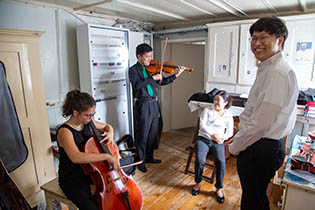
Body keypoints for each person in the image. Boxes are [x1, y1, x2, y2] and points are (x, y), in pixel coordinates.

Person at [228, 16, 299, 210]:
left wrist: (235, 146)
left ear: (279, 40)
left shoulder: (277, 72)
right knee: (255, 197)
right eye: (253, 38)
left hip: (261, 147)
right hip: (261, 145)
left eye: (263, 37)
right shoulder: (269, 68)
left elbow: (261, 123)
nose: (256, 43)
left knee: (253, 201)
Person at [57, 89, 120, 210]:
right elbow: (76, 157)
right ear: (75, 113)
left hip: (91, 171)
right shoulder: (65, 131)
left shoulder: (87, 122)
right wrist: (107, 156)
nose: (91, 118)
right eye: (88, 115)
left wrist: (110, 132)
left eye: (93, 115)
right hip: (72, 178)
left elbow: (107, 127)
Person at [129, 43, 185, 173]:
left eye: (150, 56)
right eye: (147, 57)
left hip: (154, 104)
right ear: (139, 56)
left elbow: (163, 81)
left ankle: (149, 157)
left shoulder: (153, 69)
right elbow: (137, 86)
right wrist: (151, 78)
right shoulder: (133, 70)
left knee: (154, 131)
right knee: (142, 133)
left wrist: (176, 75)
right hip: (143, 104)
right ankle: (140, 160)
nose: (149, 59)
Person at [191, 90, 233, 204]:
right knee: (200, 159)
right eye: (214, 100)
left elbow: (230, 131)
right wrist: (213, 135)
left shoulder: (228, 115)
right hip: (204, 138)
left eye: (218, 101)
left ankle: (219, 188)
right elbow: (202, 125)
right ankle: (198, 183)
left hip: (218, 141)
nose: (215, 102)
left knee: (221, 161)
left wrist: (222, 138)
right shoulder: (207, 110)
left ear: (225, 102)